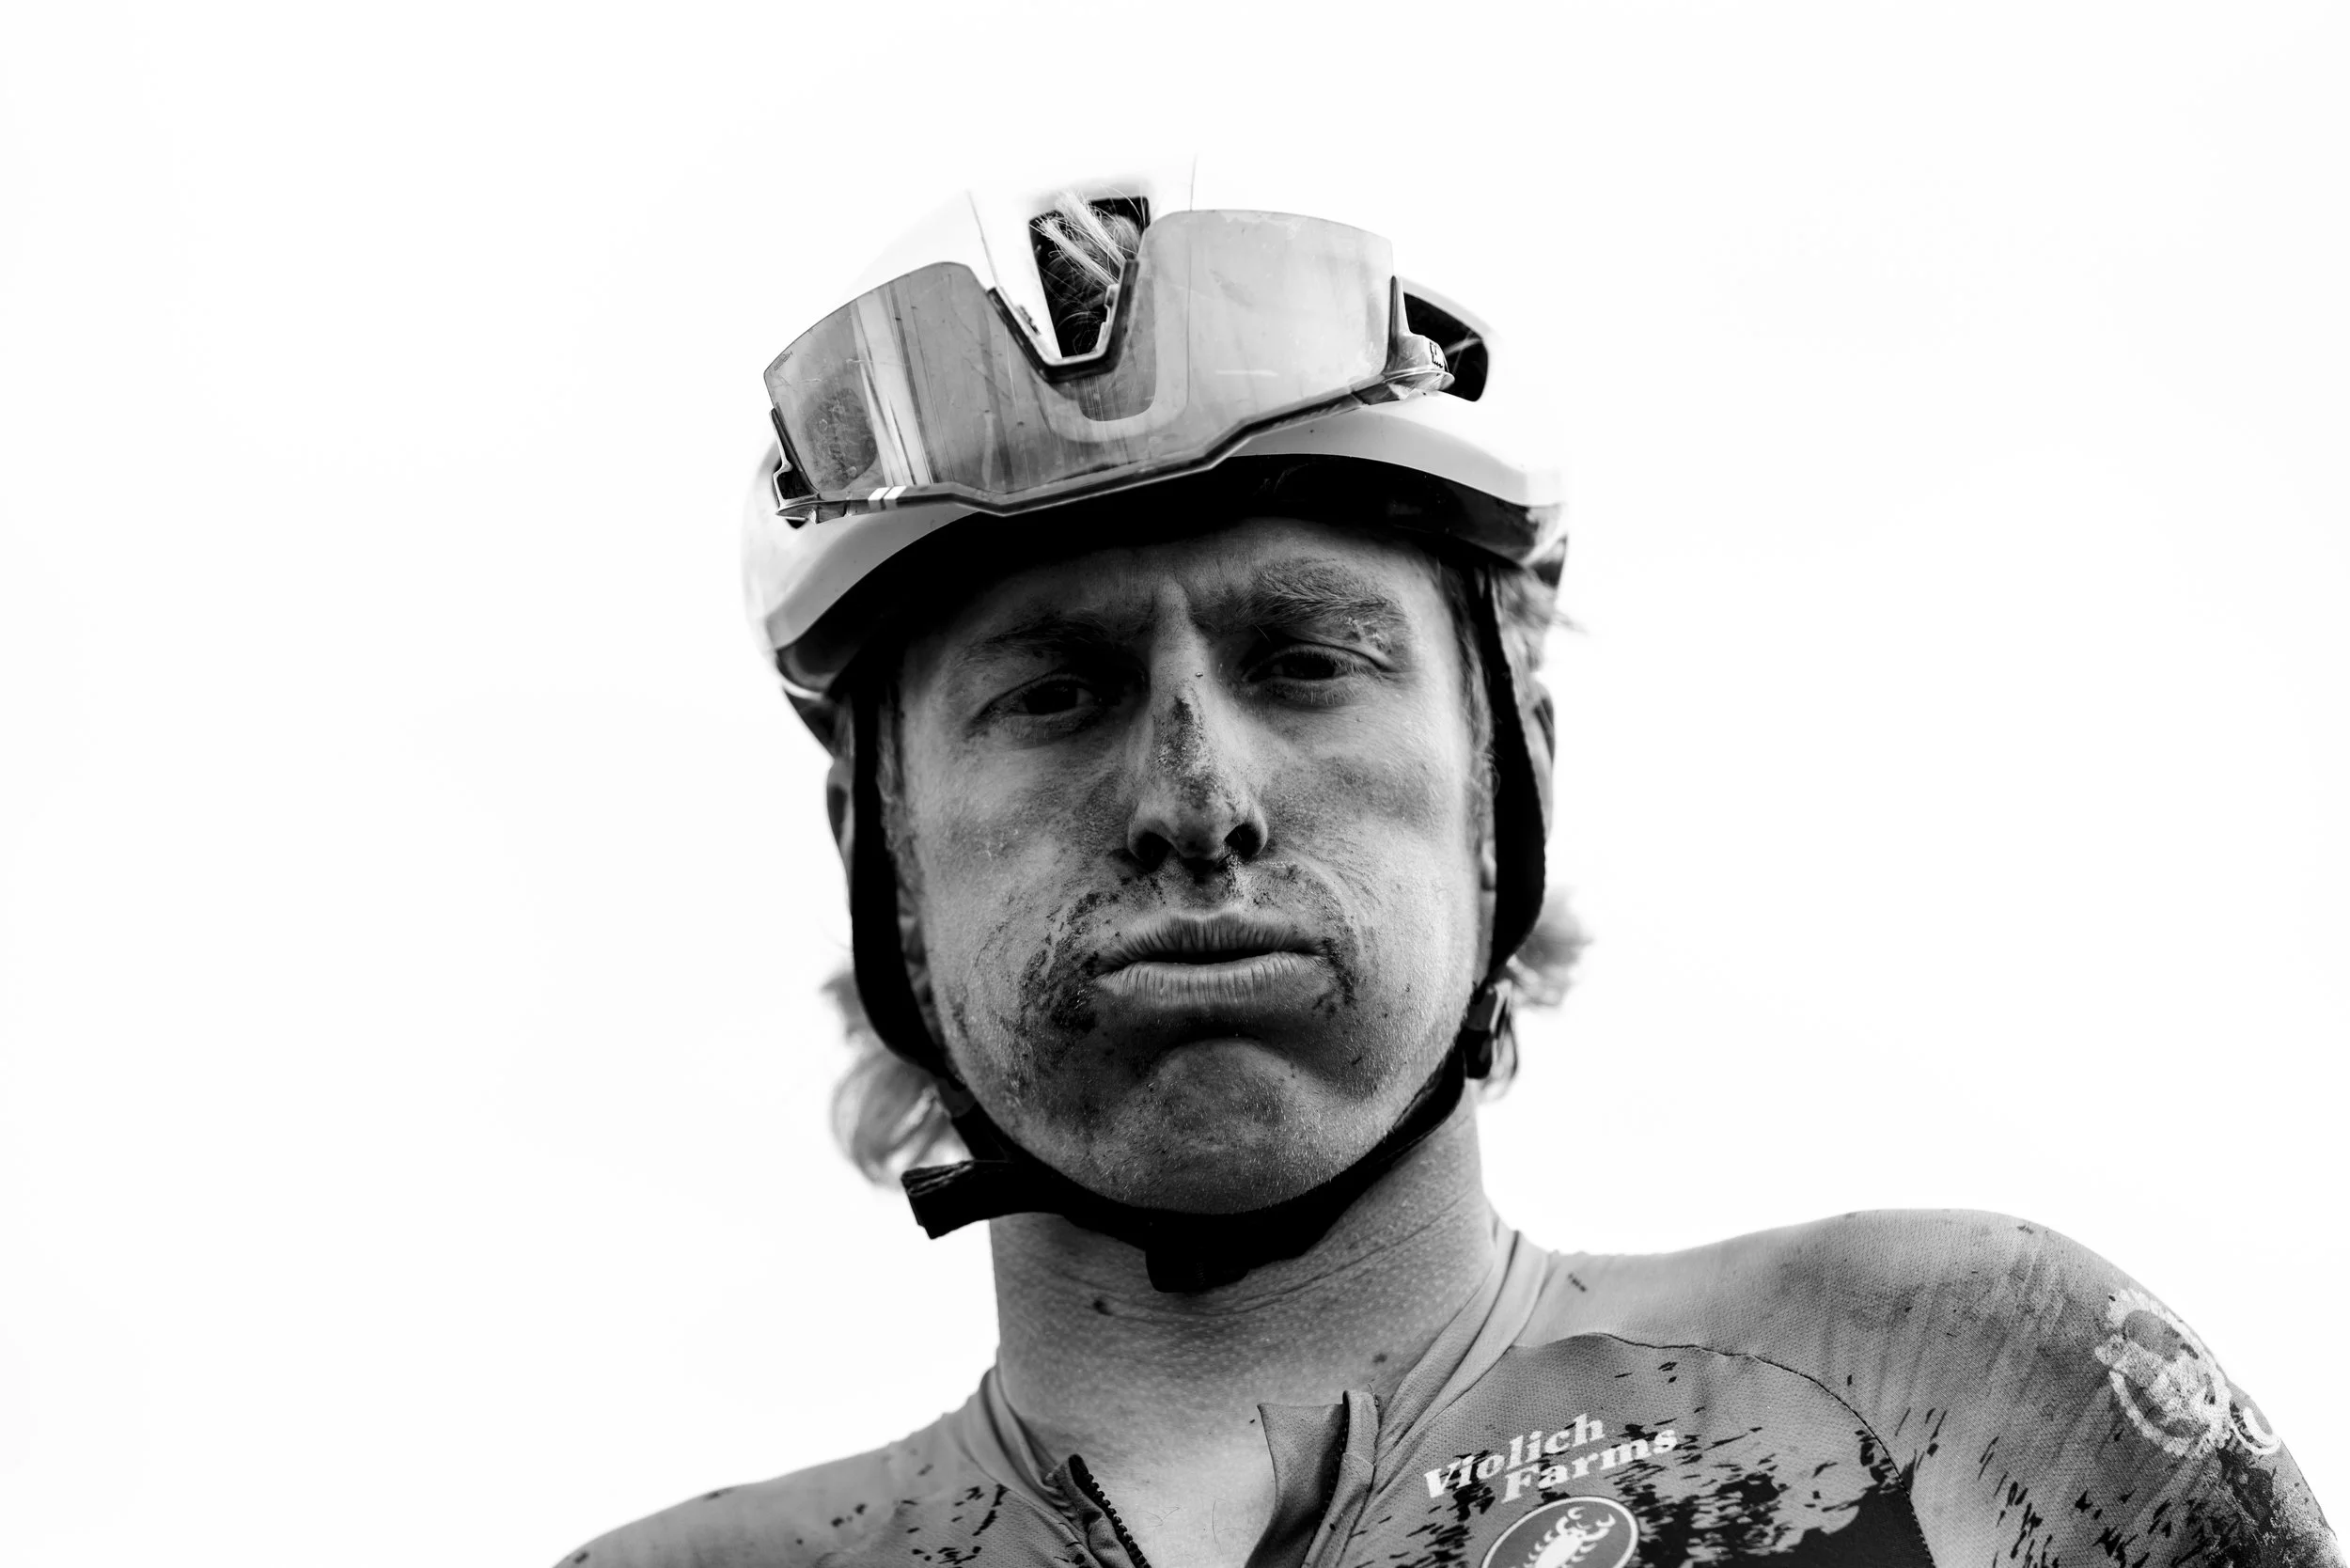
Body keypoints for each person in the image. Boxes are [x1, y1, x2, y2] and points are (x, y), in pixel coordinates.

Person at [563, 168, 2340, 1568]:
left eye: (1303, 662)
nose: (1197, 799)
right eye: (1059, 691)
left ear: (1515, 785)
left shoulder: (1954, 1392)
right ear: (879, 869)